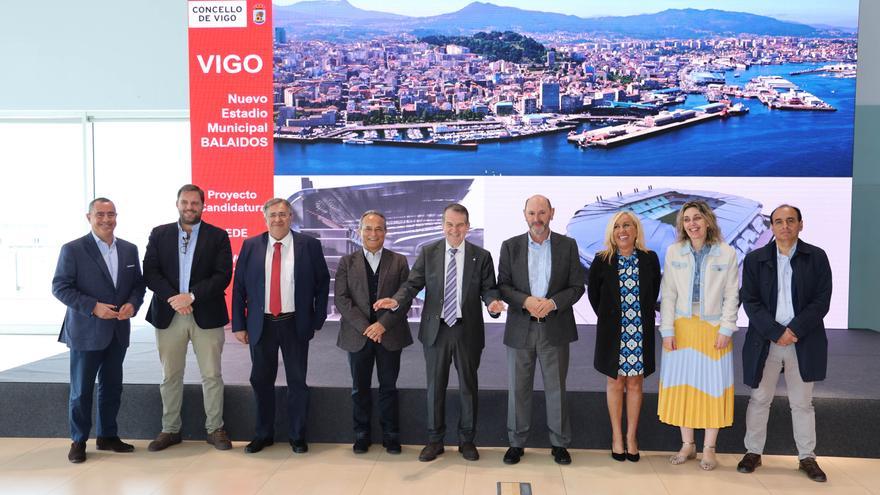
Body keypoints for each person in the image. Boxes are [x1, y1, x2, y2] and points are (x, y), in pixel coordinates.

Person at [374, 203, 505, 462]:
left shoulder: (482, 255)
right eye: (449, 224)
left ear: (467, 227)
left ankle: (467, 440)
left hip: (467, 331)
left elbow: (489, 288)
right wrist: (397, 300)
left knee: (469, 386)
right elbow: (412, 285)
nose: (454, 230)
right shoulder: (429, 251)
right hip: (436, 330)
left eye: (459, 225)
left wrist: (492, 304)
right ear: (442, 225)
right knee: (435, 387)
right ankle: (435, 441)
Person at [736, 205, 832, 482]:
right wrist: (776, 331)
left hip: (804, 339)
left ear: (801, 224)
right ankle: (753, 452)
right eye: (778, 221)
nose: (785, 226)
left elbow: (821, 300)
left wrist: (794, 330)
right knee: (759, 399)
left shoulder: (817, 257)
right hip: (765, 340)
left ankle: (807, 457)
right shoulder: (755, 259)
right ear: (772, 227)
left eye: (791, 220)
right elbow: (750, 301)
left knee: (802, 403)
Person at [232, 198, 330, 454]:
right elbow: (239, 287)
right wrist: (239, 325)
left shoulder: (309, 245)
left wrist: (317, 319)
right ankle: (263, 434)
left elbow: (322, 283)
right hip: (261, 325)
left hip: (294, 323)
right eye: (273, 214)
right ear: (265, 218)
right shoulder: (251, 245)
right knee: (261, 381)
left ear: (291, 217)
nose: (278, 219)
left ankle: (297, 436)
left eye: (283, 214)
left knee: (298, 382)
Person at [52, 197, 146, 463]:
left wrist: (132, 304)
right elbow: (60, 287)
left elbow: (138, 285)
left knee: (112, 387)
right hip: (85, 330)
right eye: (100, 214)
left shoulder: (129, 249)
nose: (106, 219)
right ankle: (79, 440)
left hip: (118, 330)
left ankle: (107, 436)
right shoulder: (72, 250)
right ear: (89, 217)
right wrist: (93, 307)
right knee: (81, 390)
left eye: (111, 214)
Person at [143, 184, 233, 451]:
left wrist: (191, 297)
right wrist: (175, 298)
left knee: (212, 375)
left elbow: (222, 275)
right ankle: (170, 430)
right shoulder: (159, 234)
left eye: (195, 203)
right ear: (177, 204)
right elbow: (150, 271)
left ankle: (215, 428)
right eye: (185, 202)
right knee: (170, 375)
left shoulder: (218, 236)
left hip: (206, 313)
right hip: (168, 314)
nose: (189, 207)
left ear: (203, 206)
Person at [496, 195, 585, 465]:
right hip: (520, 328)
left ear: (552, 213)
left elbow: (577, 286)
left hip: (555, 327)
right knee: (518, 389)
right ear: (524, 214)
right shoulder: (510, 246)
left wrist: (553, 303)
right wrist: (526, 301)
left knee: (556, 388)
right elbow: (504, 285)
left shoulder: (567, 245)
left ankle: (559, 444)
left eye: (542, 212)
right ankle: (516, 443)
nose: (537, 218)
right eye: (532, 213)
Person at [657, 200, 739, 471]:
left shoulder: (726, 253)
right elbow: (667, 294)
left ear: (707, 221)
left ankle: (709, 448)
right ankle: (687, 445)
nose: (692, 224)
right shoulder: (673, 251)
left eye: (697, 218)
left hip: (713, 329)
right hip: (682, 327)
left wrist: (726, 328)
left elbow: (731, 295)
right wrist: (666, 330)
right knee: (683, 386)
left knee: (712, 388)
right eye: (687, 219)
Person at [334, 210, 412, 455]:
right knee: (360, 388)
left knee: (389, 387)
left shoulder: (399, 261)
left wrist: (382, 325)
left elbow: (405, 299)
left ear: (385, 232)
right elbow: (342, 299)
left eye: (378, 228)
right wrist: (366, 327)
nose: (373, 233)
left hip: (389, 334)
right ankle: (361, 435)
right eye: (368, 228)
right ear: (359, 232)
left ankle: (391, 435)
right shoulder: (347, 262)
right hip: (358, 335)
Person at [587, 211, 660, 463]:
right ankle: (617, 437)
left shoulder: (649, 259)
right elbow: (594, 296)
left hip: (639, 331)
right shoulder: (602, 259)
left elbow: (653, 293)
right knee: (615, 383)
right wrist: (609, 319)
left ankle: (632, 438)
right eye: (617, 226)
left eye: (627, 225)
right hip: (612, 333)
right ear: (611, 232)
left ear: (636, 229)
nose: (622, 230)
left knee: (635, 384)